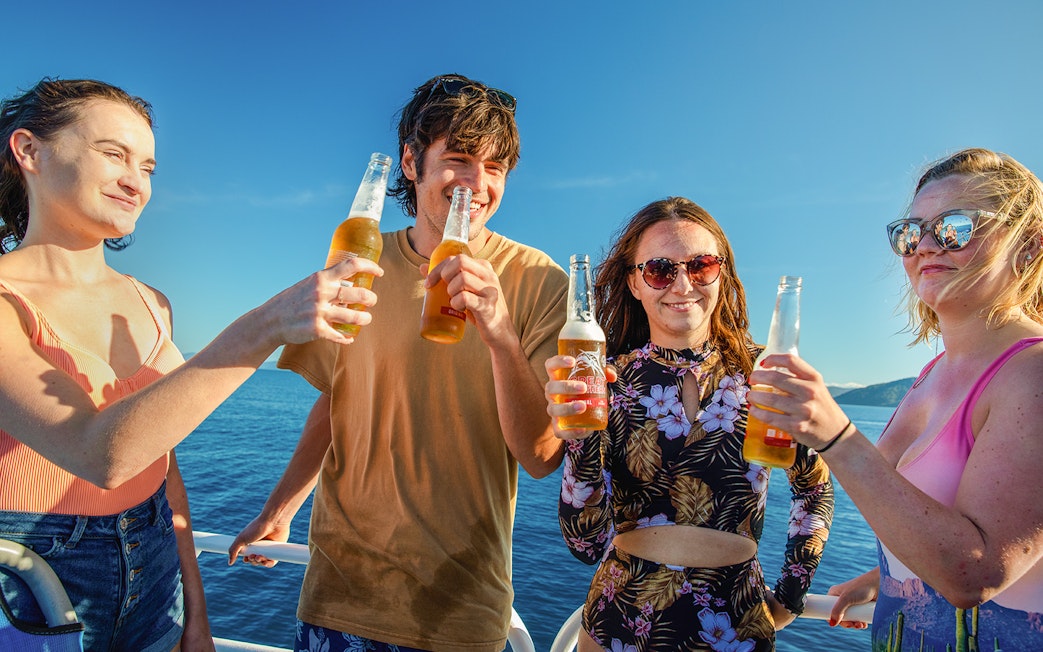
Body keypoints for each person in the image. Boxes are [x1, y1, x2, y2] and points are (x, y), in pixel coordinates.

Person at [0, 78, 379, 651]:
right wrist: (266, 326)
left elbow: (164, 474)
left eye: (149, 167)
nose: (136, 181)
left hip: (157, 577)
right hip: (38, 588)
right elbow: (102, 454)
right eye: (114, 154)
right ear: (29, 151)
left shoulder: (154, 304)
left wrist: (196, 616)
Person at [228, 74, 569, 652]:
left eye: (496, 167)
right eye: (459, 159)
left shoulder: (537, 279)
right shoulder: (359, 261)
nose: (478, 184)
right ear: (411, 162)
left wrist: (501, 336)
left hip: (460, 610)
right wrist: (279, 507)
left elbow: (540, 459)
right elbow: (340, 396)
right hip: (340, 595)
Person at [748, 147, 1043, 650]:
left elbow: (978, 575)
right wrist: (891, 573)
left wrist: (836, 437)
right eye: (910, 232)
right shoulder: (932, 373)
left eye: (954, 227)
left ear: (1029, 246)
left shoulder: (1031, 373)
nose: (925, 246)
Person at [546, 197, 834, 651]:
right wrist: (579, 442)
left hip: (735, 626)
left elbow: (814, 488)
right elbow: (585, 544)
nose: (682, 283)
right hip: (618, 623)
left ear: (722, 273)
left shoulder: (768, 375)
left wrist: (792, 594)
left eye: (700, 266)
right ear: (635, 283)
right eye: (660, 269)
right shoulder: (605, 380)